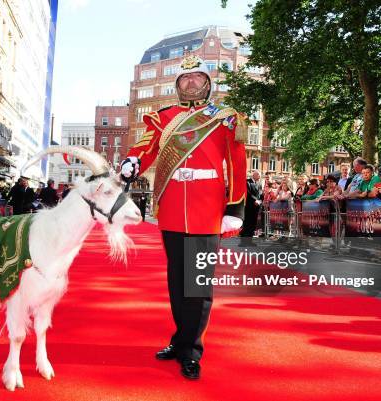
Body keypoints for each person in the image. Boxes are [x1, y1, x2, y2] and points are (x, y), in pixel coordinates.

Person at [120, 55, 247, 380]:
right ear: (178, 85)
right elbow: (146, 147)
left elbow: (236, 163)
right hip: (173, 208)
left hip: (207, 211)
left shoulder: (225, 118)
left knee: (198, 285)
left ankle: (191, 351)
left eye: (197, 77)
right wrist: (132, 162)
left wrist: (234, 208)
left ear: (207, 83)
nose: (190, 82)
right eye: (184, 78)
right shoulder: (165, 117)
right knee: (178, 283)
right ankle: (180, 341)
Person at [242, 170, 263, 242]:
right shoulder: (247, 182)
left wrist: (260, 200)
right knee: (247, 223)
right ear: (254, 175)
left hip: (256, 207)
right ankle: (244, 241)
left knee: (253, 224)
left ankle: (250, 240)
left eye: (260, 175)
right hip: (249, 207)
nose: (260, 176)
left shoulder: (259, 184)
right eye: (258, 175)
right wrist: (255, 200)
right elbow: (248, 193)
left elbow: (261, 194)